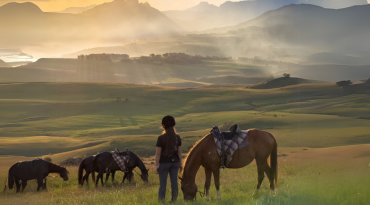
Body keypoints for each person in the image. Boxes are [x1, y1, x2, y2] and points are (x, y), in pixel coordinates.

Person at [155, 115, 183, 203]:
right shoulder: (177, 138)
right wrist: (181, 164)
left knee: (163, 183)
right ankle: (173, 201)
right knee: (174, 182)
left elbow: (158, 153)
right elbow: (179, 152)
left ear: (163, 126)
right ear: (173, 125)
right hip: (175, 163)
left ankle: (161, 201)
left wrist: (156, 165)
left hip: (164, 163)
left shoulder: (161, 138)